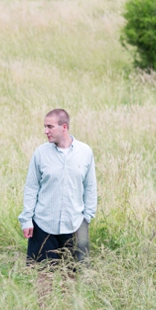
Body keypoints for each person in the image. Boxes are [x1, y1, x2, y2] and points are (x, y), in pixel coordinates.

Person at [19, 109, 97, 269]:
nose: (45, 131)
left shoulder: (85, 152)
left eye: (50, 127)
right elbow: (31, 188)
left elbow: (90, 187)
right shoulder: (40, 153)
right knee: (43, 277)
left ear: (64, 127)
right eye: (44, 126)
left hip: (75, 225)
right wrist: (27, 220)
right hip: (43, 225)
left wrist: (87, 217)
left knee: (71, 278)